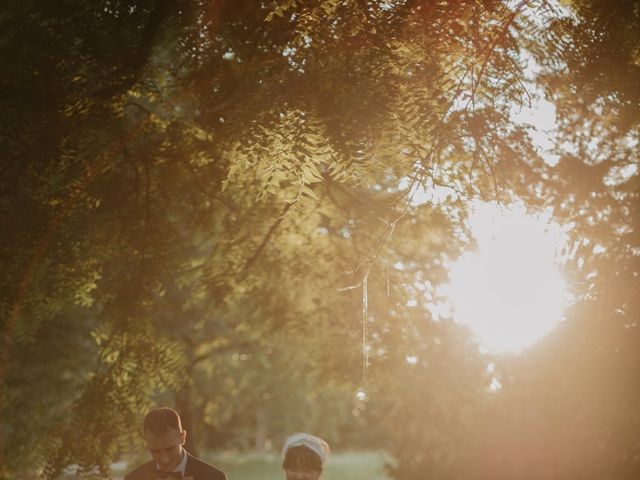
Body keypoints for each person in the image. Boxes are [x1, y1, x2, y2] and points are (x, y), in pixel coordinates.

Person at [125, 407, 227, 480]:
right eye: (155, 451)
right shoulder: (133, 478)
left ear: (182, 438)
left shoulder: (214, 477)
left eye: (170, 449)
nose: (164, 459)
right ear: (147, 443)